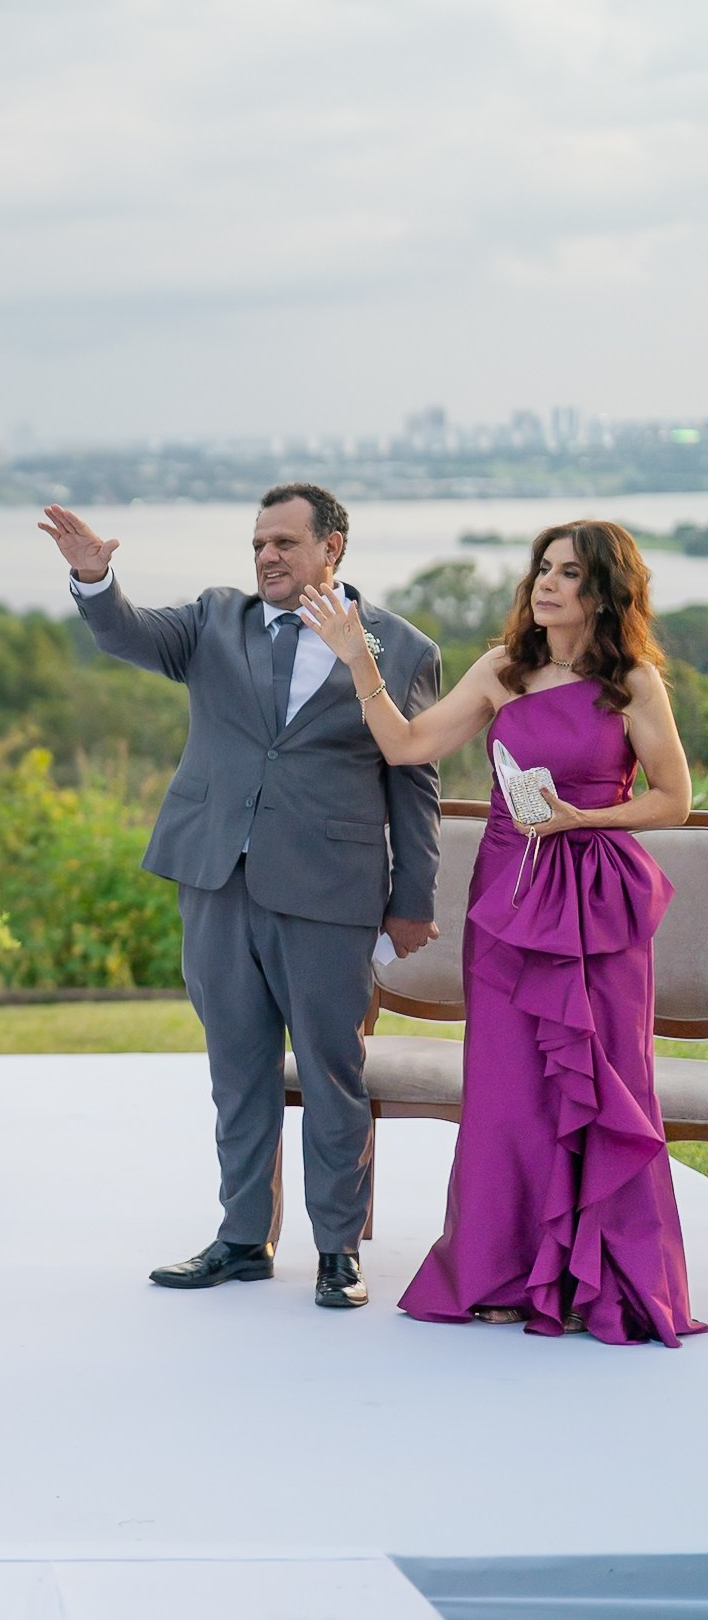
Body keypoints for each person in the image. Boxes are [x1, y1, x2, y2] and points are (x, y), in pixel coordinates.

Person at [40, 485, 442, 1310]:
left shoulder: (400, 650)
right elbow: (127, 633)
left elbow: (417, 785)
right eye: (259, 542)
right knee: (238, 1069)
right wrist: (92, 582)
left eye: (286, 543)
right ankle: (242, 1239)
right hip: (217, 879)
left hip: (330, 893)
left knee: (333, 1073)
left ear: (332, 549)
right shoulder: (213, 621)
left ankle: (338, 1250)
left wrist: (412, 898)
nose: (266, 556)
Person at [301, 521, 701, 1345]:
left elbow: (671, 798)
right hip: (511, 903)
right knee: (509, 1089)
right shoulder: (501, 670)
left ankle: (602, 1282)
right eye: (542, 569)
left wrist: (581, 818)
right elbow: (409, 745)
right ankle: (501, 1272)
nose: (546, 585)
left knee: (600, 1080)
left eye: (569, 574)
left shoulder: (635, 682)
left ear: (603, 592)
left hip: (597, 905)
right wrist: (360, 662)